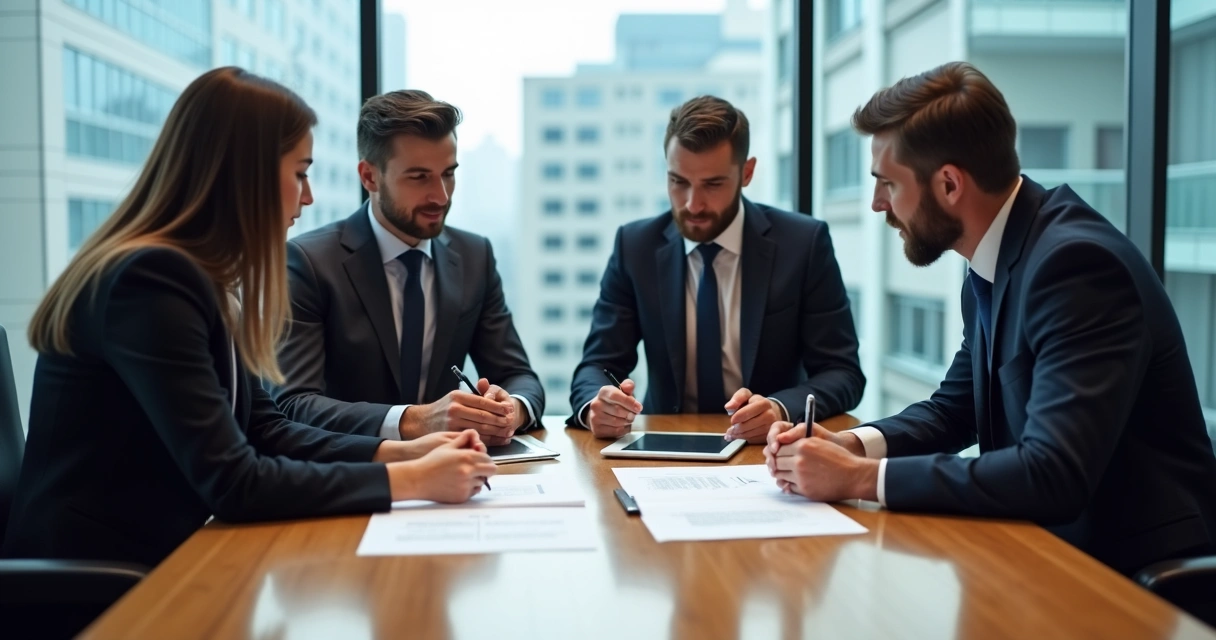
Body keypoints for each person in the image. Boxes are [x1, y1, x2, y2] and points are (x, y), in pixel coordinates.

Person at [1, 68, 495, 568]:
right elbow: (235, 481)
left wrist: (410, 452)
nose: (308, 197)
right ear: (246, 174)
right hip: (99, 582)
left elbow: (267, 430)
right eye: (300, 173)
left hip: (172, 557)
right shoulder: (149, 280)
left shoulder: (199, 275)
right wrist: (411, 481)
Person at [766, 61, 1216, 575]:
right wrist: (851, 445)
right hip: (1051, 556)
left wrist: (858, 479)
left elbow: (1052, 473)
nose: (875, 204)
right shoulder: (998, 258)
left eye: (887, 183)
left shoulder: (1077, 268)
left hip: (1136, 577)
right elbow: (953, 411)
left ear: (949, 184)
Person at [569, 95, 865, 443]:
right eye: (678, 182)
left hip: (768, 448)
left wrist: (779, 408)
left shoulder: (804, 243)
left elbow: (842, 372)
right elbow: (597, 365)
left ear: (747, 172)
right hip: (663, 447)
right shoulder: (636, 246)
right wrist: (596, 406)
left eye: (712, 184)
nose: (693, 204)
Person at [268, 90, 543, 447]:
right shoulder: (308, 262)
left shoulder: (475, 255)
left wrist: (511, 410)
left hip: (455, 474)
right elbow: (293, 404)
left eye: (448, 173)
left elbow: (519, 376)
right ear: (369, 177)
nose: (441, 196)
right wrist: (415, 420)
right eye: (419, 177)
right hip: (350, 475)